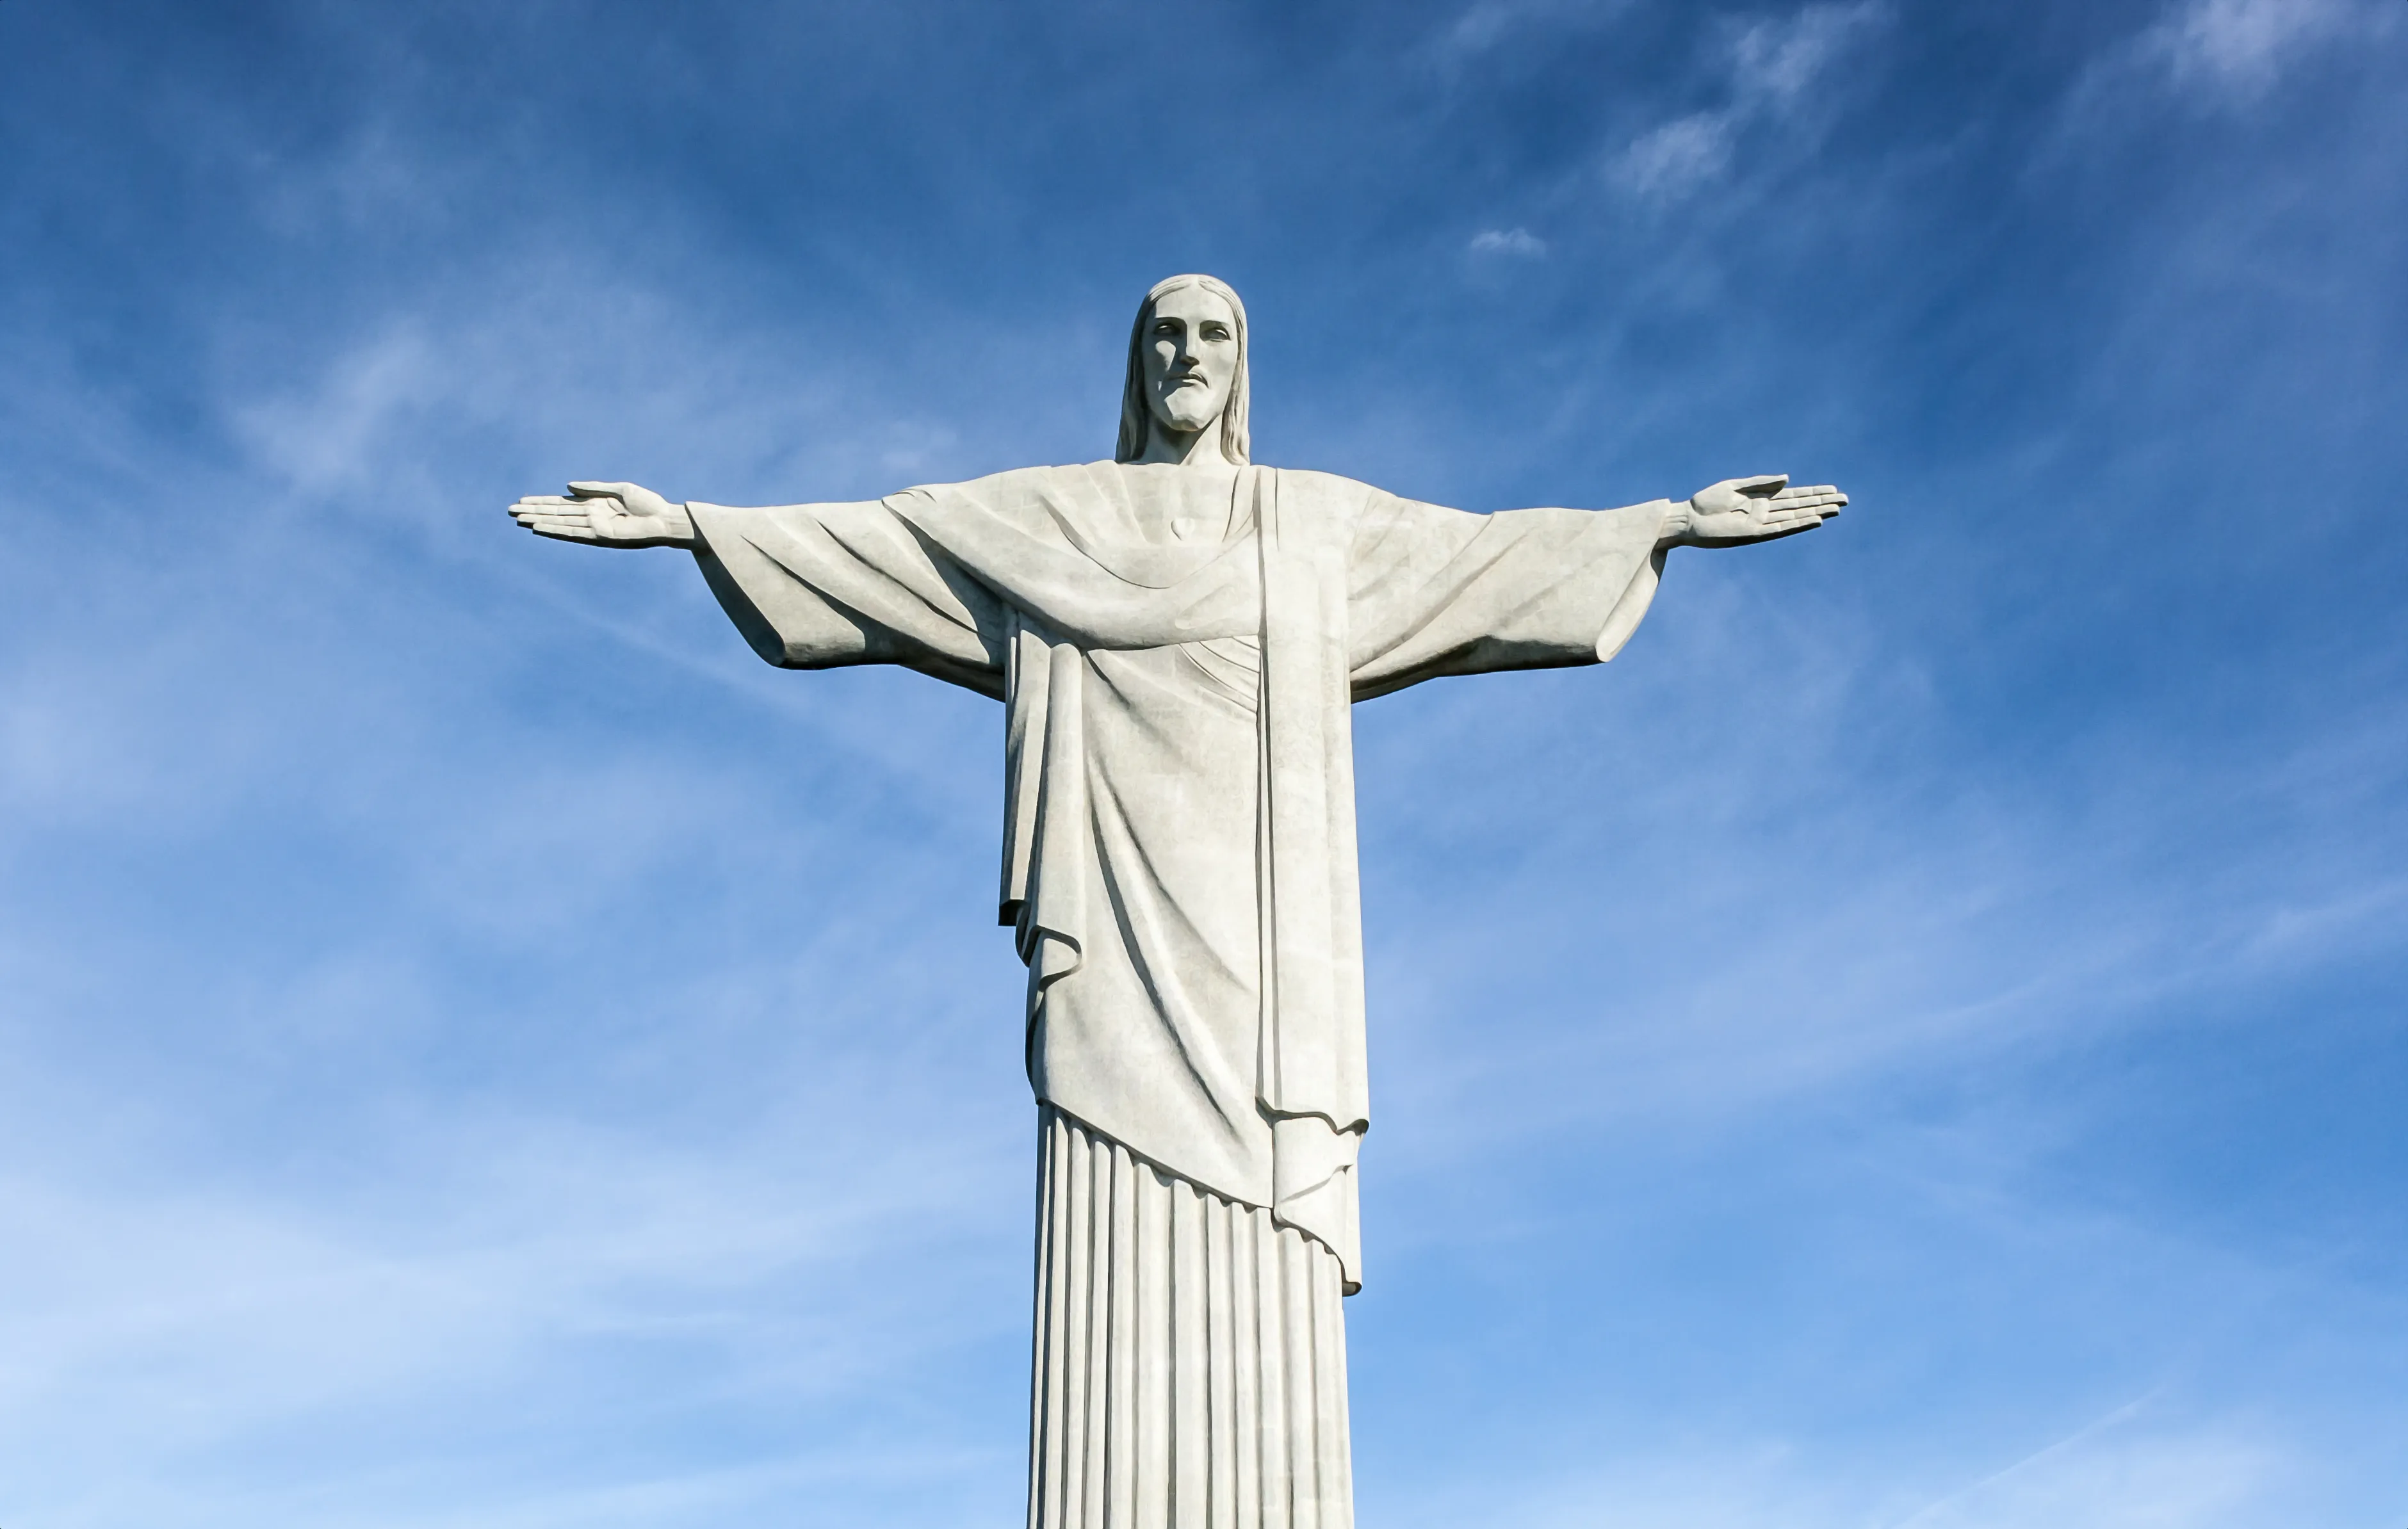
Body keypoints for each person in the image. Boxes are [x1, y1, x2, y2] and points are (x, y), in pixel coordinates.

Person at [510, 273, 1843, 1529]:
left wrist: (1660, 521)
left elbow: (1480, 560)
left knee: (1265, 1224)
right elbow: (887, 541)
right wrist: (695, 523)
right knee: (1106, 1203)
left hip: (1266, 951)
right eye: (1164, 334)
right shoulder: (1053, 522)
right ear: (1134, 363)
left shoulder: (1310, 527)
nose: (1187, 356)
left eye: (1211, 334)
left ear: (1241, 364)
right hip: (1108, 927)